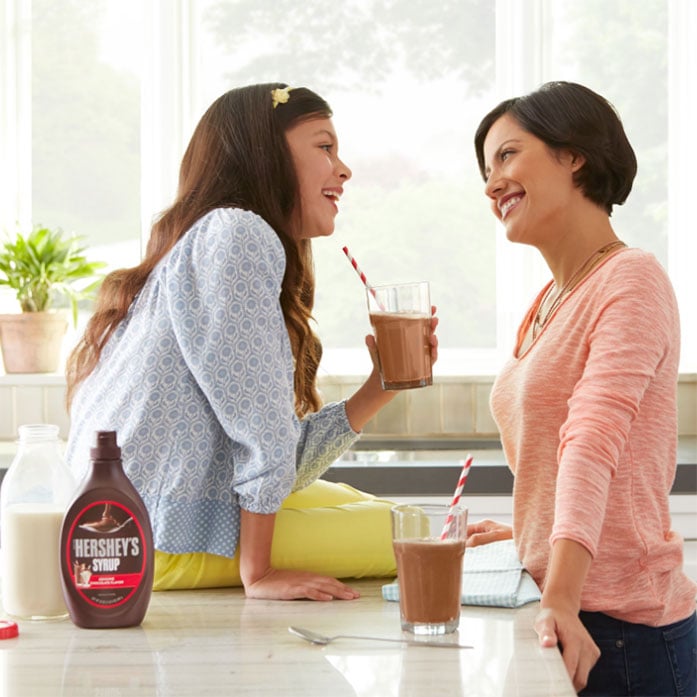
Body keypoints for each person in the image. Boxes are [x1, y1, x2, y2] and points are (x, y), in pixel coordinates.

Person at [65, 83, 438, 602]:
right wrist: (258, 573)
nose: (344, 168)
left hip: (124, 523)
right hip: (150, 540)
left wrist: (383, 384)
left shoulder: (211, 236)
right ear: (266, 153)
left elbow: (277, 457)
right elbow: (262, 433)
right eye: (324, 146)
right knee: (417, 529)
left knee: (380, 510)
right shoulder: (237, 235)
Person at [470, 81, 696, 696]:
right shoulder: (547, 302)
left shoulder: (632, 280)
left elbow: (591, 444)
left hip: (621, 632)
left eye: (508, 155)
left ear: (575, 156)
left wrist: (563, 598)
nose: (491, 183)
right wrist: (528, 535)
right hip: (562, 609)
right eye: (486, 168)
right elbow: (556, 457)